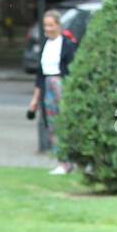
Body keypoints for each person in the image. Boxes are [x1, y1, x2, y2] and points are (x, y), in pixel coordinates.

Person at [26, 10, 77, 175]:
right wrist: (35, 100)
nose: (47, 28)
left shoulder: (68, 45)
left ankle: (75, 159)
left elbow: (73, 70)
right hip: (47, 86)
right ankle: (63, 162)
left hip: (62, 85)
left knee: (67, 123)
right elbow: (40, 75)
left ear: (58, 25)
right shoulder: (45, 45)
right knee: (52, 125)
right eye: (45, 25)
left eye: (50, 25)